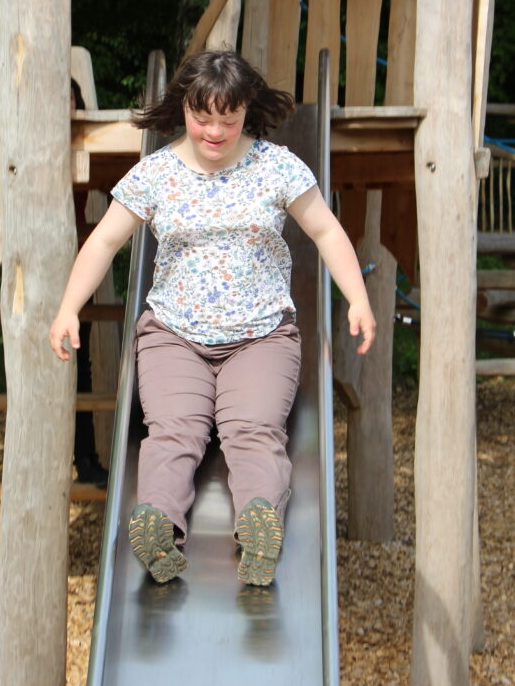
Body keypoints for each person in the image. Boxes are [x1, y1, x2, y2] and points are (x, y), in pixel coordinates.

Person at [50, 51, 375, 586]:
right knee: (173, 432)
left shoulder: (276, 166)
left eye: (230, 118)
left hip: (261, 337)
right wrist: (68, 308)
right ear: (184, 107)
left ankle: (259, 527)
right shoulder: (155, 174)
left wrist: (358, 300)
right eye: (204, 118)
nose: (216, 131)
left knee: (252, 430)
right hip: (174, 336)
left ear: (248, 110)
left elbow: (326, 231)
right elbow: (105, 239)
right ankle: (156, 522)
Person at [70, 78, 108, 487]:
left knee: (81, 368)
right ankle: (71, 457)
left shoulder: (86, 147)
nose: (66, 107)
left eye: (72, 99)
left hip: (76, 266)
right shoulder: (29, 147)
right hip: (40, 269)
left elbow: (119, 186)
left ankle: (86, 458)